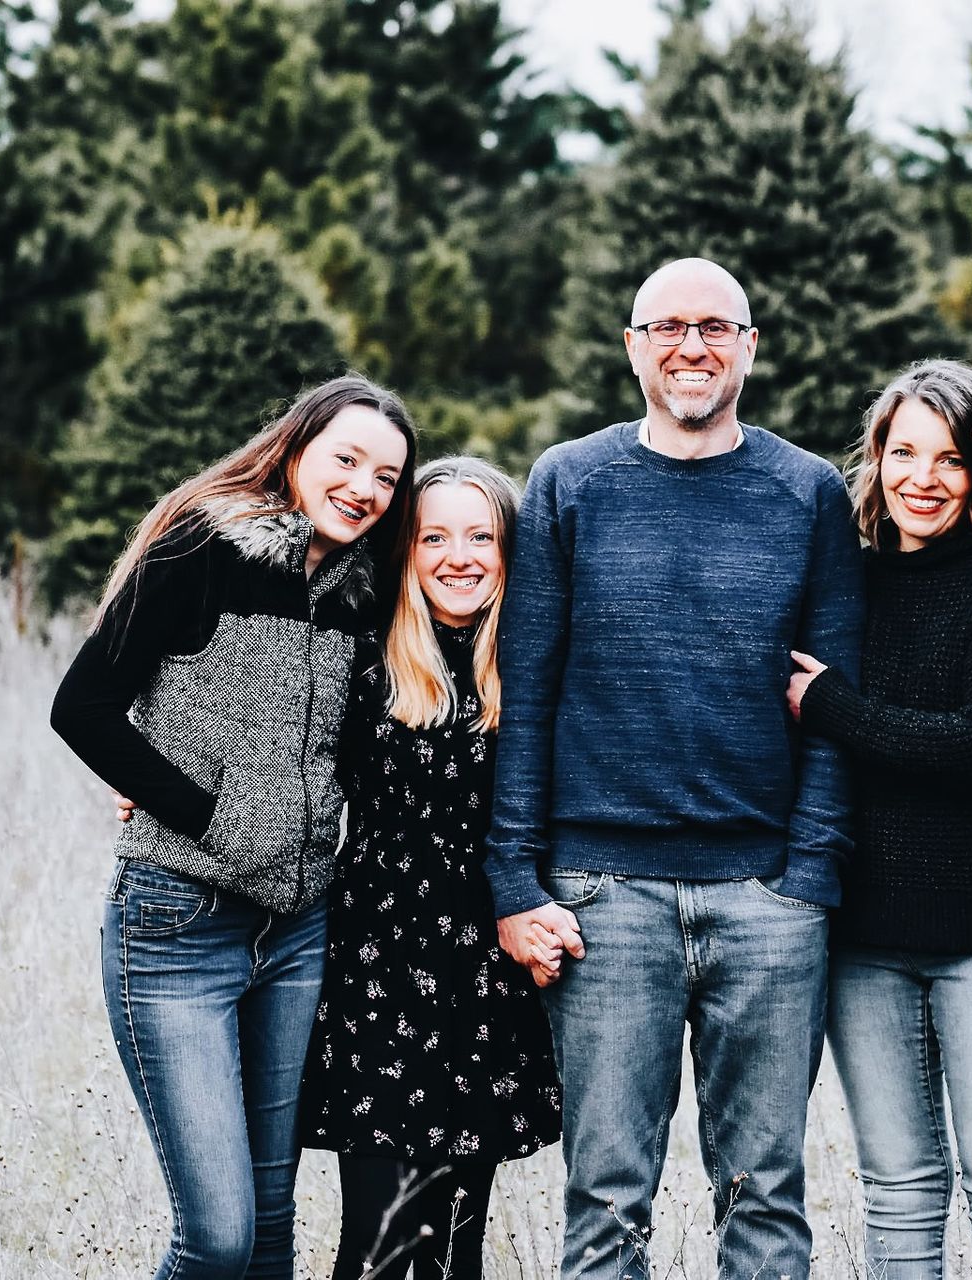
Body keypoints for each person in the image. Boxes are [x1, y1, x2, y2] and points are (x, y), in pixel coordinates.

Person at [483, 257, 864, 1280]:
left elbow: (835, 697)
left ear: (749, 346)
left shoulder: (807, 492)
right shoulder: (570, 479)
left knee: (766, 1194)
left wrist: (810, 876)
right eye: (668, 327)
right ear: (633, 349)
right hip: (604, 896)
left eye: (714, 327)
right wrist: (515, 881)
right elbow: (529, 690)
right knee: (607, 1196)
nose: (691, 346)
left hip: (767, 898)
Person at [50, 374, 417, 1280]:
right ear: (295, 452)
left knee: (269, 1229)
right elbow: (84, 708)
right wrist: (205, 811)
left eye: (385, 477)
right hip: (175, 927)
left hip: (295, 934)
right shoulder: (198, 548)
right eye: (346, 460)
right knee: (215, 1237)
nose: (364, 488)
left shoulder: (363, 591)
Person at [784, 359, 972, 1280]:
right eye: (903, 451)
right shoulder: (846, 584)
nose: (923, 478)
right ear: (875, 458)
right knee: (898, 1191)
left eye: (948, 459)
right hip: (864, 941)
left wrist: (837, 709)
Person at [301, 457, 561, 1280]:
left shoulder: (531, 665)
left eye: (481, 536)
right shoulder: (362, 652)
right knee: (377, 1244)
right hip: (377, 963)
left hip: (486, 970)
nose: (460, 556)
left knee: (456, 1246)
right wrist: (148, 782)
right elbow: (275, 747)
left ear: (510, 549)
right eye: (434, 537)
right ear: (405, 551)